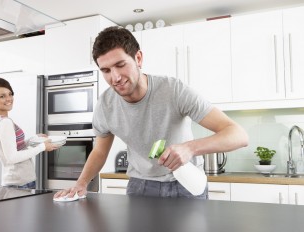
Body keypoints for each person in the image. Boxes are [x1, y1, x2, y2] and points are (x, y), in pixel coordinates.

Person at [54, 26, 248, 199]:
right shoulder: (106, 105)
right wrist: (81, 183)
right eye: (106, 70)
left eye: (120, 65)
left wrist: (190, 148)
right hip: (140, 187)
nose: (115, 77)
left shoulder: (173, 90)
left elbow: (238, 135)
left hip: (186, 184)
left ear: (138, 58)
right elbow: (99, 151)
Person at [0, 77, 59, 189]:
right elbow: (12, 157)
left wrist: (33, 139)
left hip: (16, 182)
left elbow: (13, 147)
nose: (9, 99)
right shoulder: (5, 122)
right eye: (2, 96)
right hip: (20, 183)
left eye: (10, 94)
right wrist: (42, 147)